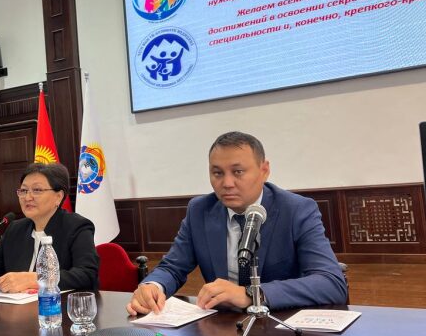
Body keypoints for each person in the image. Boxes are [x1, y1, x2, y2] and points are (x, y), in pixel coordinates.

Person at [127, 132, 347, 315]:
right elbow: (173, 267)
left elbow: (331, 283)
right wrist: (152, 286)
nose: (227, 183)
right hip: (221, 330)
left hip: (281, 327)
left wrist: (252, 294)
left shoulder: (296, 210)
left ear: (264, 170)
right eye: (217, 173)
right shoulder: (200, 210)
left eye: (238, 172)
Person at [0, 163, 99, 292]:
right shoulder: (16, 229)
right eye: (24, 190)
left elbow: (86, 274)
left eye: (37, 190)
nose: (27, 197)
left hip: (58, 309)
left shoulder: (76, 227)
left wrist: (36, 279)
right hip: (16, 310)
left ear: (58, 196)